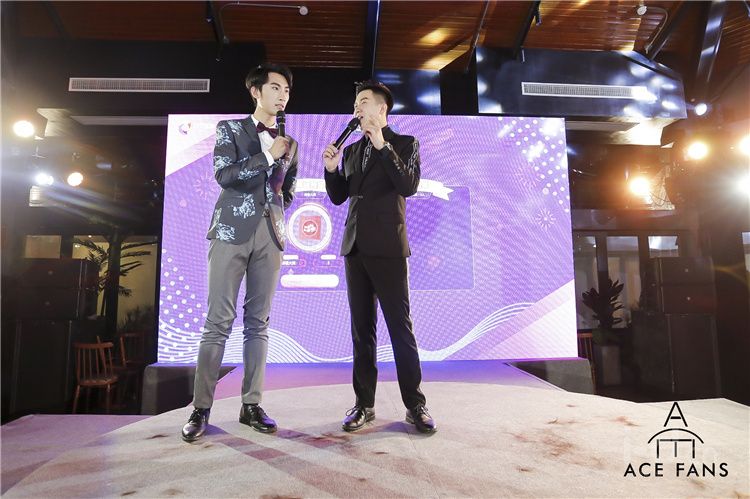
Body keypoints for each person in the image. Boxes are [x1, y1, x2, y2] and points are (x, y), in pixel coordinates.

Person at [181, 63, 298, 442]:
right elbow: (224, 175)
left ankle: (251, 404)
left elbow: (288, 189)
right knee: (218, 321)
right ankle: (200, 408)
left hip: (271, 235)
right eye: (276, 88)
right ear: (256, 91)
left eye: (286, 90)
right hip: (231, 230)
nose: (283, 95)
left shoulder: (290, 142)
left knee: (258, 322)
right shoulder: (230, 129)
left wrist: (275, 209)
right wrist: (267, 157)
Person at [322, 81, 436, 434]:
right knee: (362, 332)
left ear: (382, 108)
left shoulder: (404, 144)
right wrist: (332, 169)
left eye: (363, 102)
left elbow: (408, 186)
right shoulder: (352, 150)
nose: (357, 108)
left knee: (400, 329)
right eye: (355, 103)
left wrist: (381, 144)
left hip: (388, 248)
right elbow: (340, 196)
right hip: (354, 248)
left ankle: (415, 405)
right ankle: (363, 404)